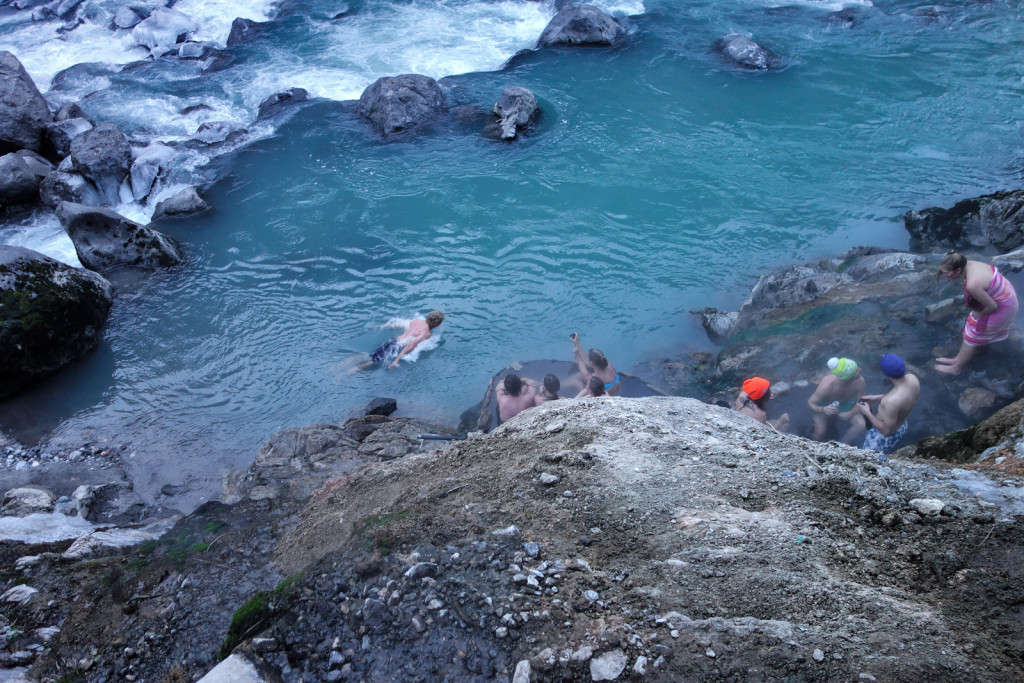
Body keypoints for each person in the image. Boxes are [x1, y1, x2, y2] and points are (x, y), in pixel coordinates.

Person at [935, 251, 1019, 375]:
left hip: (1004, 307)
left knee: (973, 335)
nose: (945, 275)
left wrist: (979, 314)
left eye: (947, 273)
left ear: (958, 270)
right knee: (970, 326)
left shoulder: (972, 284)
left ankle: (957, 368)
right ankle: (957, 359)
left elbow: (992, 306)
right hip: (1006, 295)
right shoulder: (969, 264)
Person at [858, 353, 920, 455]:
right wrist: (878, 398)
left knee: (867, 456)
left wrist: (867, 413)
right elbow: (902, 398)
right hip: (902, 425)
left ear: (886, 374)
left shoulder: (892, 401)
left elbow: (887, 432)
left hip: (881, 438)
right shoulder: (912, 379)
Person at [348, 310, 445, 372]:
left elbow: (397, 325)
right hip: (396, 347)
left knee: (372, 356)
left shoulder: (417, 321)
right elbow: (411, 345)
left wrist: (380, 327)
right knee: (372, 362)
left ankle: (346, 362)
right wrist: (396, 360)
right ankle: (353, 370)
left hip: (392, 341)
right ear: (438, 324)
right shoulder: (427, 334)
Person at [806, 357, 867, 444]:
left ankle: (841, 445)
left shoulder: (859, 381)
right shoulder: (827, 385)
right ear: (848, 377)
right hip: (824, 405)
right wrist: (823, 409)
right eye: (856, 371)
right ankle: (812, 447)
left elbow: (861, 400)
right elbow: (810, 403)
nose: (860, 370)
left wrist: (851, 413)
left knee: (861, 425)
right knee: (820, 431)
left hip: (843, 404)